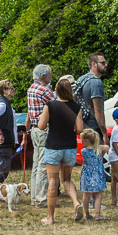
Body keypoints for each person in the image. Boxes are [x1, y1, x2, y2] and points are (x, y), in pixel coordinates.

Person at [37, 78, 84, 225]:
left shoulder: (50, 106)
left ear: (56, 90)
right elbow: (80, 129)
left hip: (53, 147)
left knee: (53, 181)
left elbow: (41, 126)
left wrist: (42, 118)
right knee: (67, 180)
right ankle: (76, 202)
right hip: (69, 146)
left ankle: (50, 218)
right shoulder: (76, 107)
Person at [24, 64, 56, 207]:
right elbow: (55, 107)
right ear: (44, 76)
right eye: (49, 74)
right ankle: (41, 199)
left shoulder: (31, 89)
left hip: (35, 129)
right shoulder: (44, 90)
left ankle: (34, 198)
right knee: (43, 165)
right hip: (45, 129)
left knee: (36, 165)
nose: (50, 77)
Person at [77, 54, 109, 145]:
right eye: (103, 63)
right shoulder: (96, 82)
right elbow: (98, 112)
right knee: (97, 157)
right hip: (94, 129)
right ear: (93, 64)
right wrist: (104, 134)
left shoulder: (82, 79)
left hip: (84, 128)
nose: (106, 65)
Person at [79, 129, 110, 221]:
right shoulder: (98, 149)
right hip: (97, 174)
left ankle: (86, 213)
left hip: (86, 174)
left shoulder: (83, 151)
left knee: (86, 194)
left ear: (86, 141)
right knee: (98, 194)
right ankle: (97, 214)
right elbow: (107, 147)